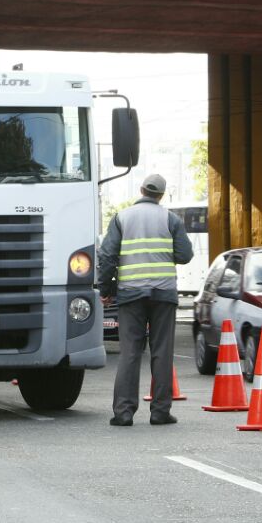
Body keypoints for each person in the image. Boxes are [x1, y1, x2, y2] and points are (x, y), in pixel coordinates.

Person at [97, 174, 193, 426]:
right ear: (161, 195)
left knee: (130, 352)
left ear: (141, 190)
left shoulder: (122, 218)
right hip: (163, 294)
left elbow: (107, 256)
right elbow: (185, 255)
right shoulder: (170, 219)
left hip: (131, 295)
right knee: (162, 352)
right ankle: (160, 412)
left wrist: (106, 289)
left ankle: (124, 412)